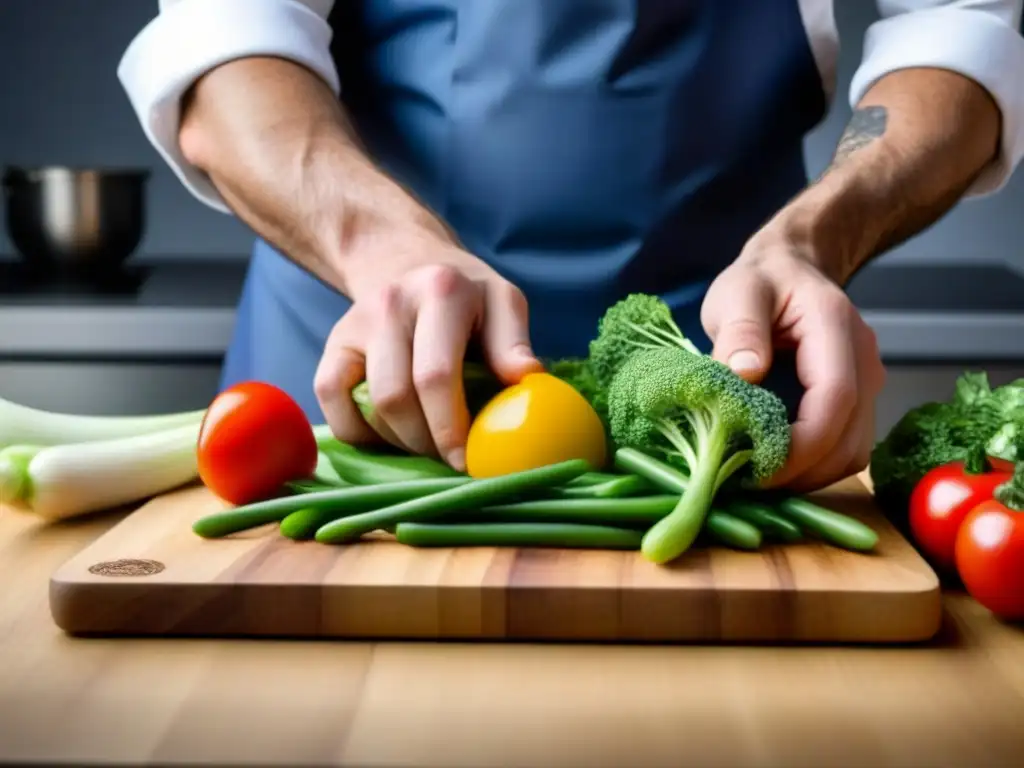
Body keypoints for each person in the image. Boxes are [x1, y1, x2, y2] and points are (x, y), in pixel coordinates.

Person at [117, 1, 1024, 492]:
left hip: (718, 396)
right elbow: (227, 43)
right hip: (360, 367)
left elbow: (955, 34)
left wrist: (815, 240)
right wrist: (382, 248)